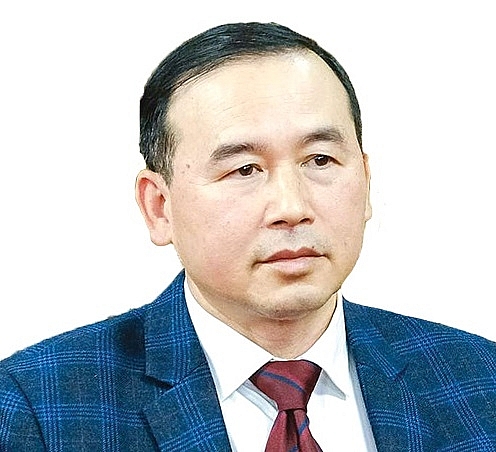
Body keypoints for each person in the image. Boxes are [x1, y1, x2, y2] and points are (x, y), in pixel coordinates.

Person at [1, 21, 495, 452]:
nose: (291, 208)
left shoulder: (479, 379)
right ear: (159, 207)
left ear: (365, 182)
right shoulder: (39, 408)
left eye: (320, 160)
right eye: (244, 169)